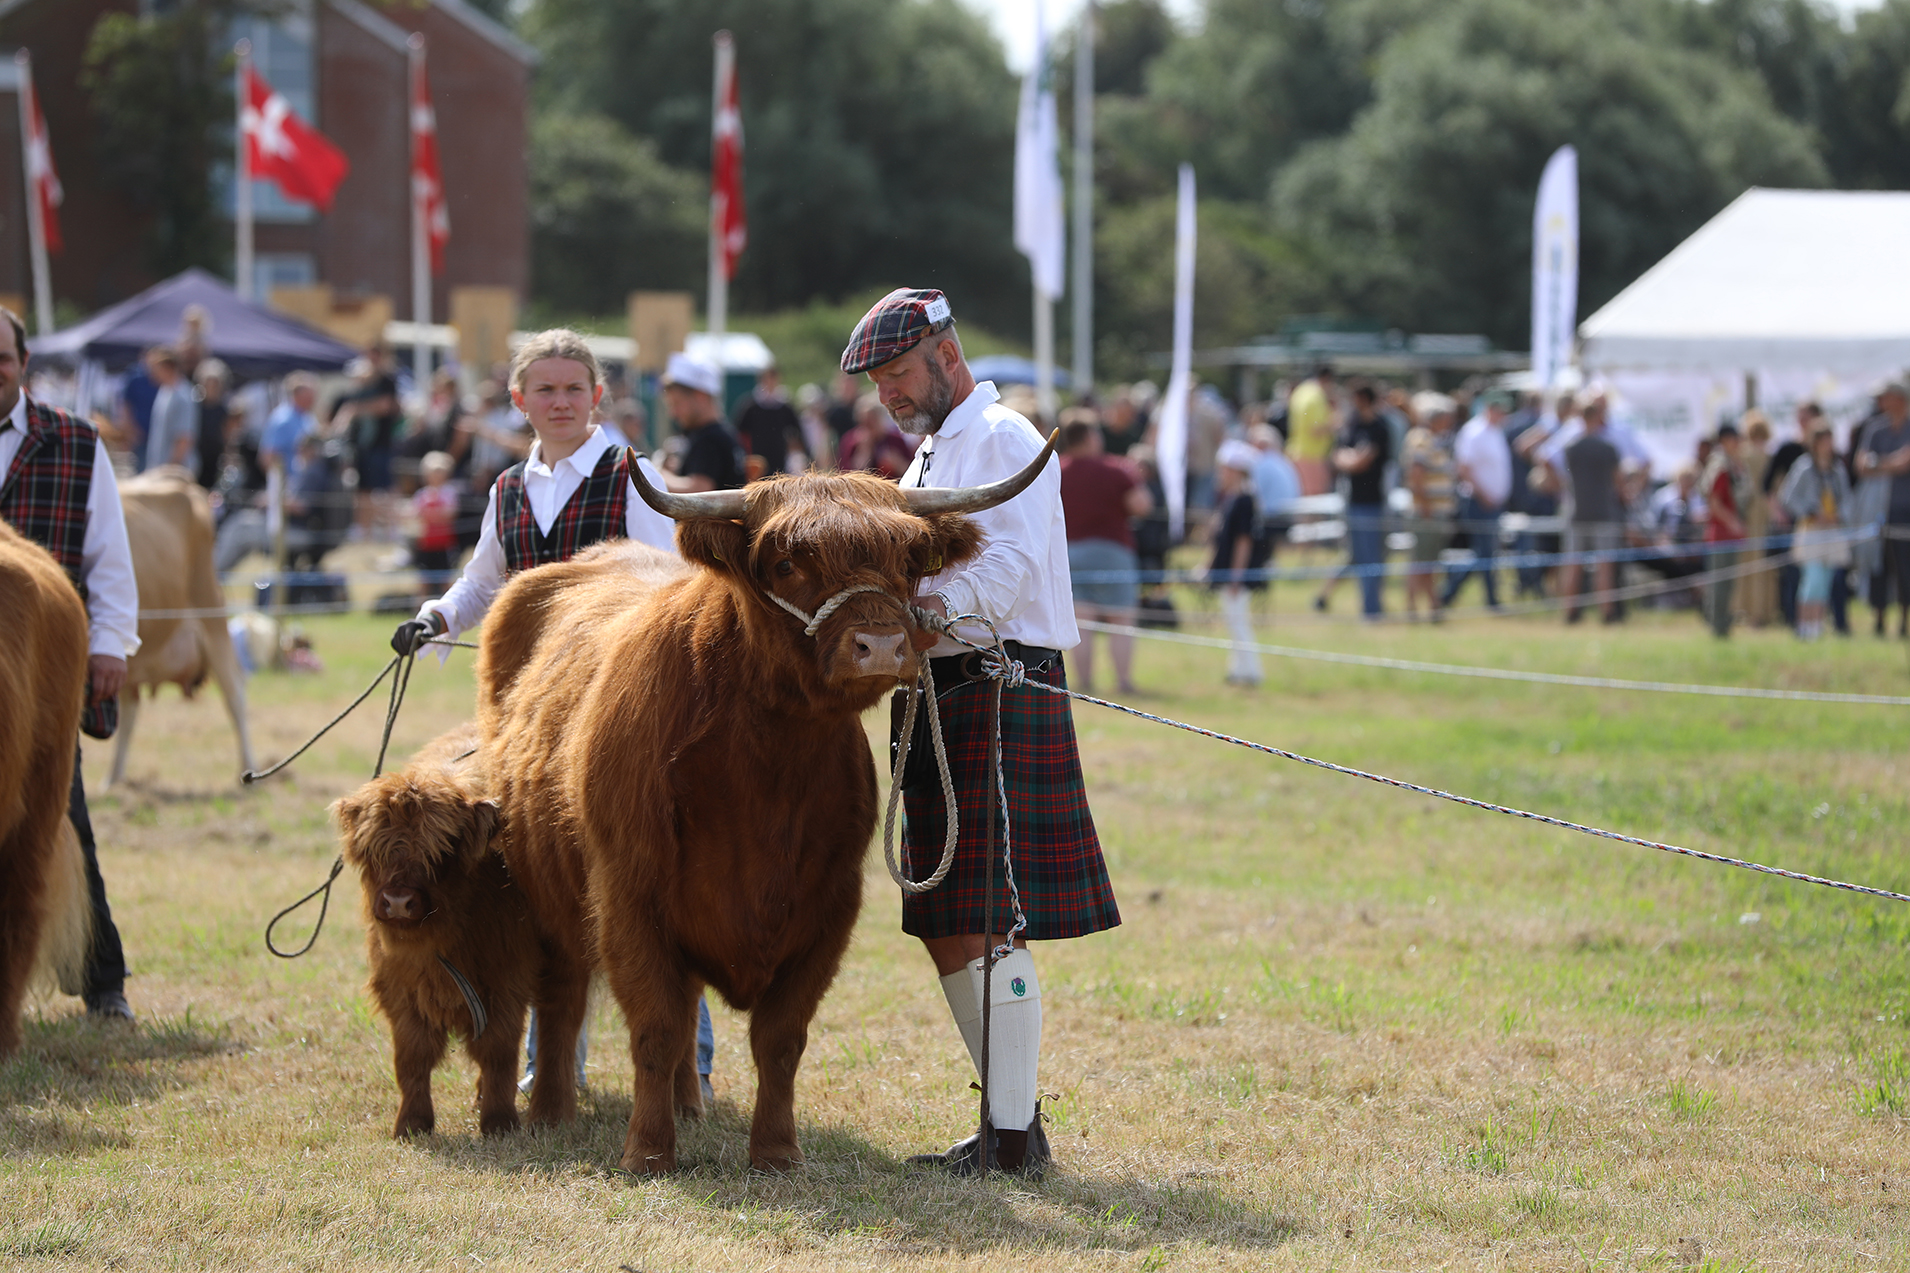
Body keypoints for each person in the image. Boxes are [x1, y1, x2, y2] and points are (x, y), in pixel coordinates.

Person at [389, 329, 714, 1101]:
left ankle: (689, 1061)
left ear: (597, 397)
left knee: (649, 880)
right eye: (546, 389)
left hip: (617, 713)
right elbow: (482, 581)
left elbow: (671, 585)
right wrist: (436, 618)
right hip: (530, 714)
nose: (561, 401)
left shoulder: (634, 476)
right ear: (519, 400)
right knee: (541, 880)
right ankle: (553, 1059)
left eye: (574, 388)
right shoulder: (508, 488)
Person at [845, 288, 1119, 1178]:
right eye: (878, 381)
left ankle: (1010, 1137)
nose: (888, 392)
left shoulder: (1000, 436)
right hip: (937, 685)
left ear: (947, 355)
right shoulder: (932, 451)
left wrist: (918, 616)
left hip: (997, 681)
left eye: (897, 372)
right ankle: (1013, 1120)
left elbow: (1011, 567)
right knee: (945, 918)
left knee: (995, 917)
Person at [0, 306, 141, 1021]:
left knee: (63, 816)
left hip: (44, 666)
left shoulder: (74, 441)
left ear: (22, 363)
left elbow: (108, 553)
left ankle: (102, 980)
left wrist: (111, 642)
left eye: (1, 358)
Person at [1058, 409, 1151, 695]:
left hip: (1070, 552)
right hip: (1113, 551)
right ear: (1089, 436)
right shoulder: (1115, 469)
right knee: (1121, 619)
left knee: (1082, 621)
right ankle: (1123, 681)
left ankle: (1085, 684)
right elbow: (1141, 506)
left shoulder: (1057, 469)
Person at [1321, 382, 1391, 619]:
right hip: (1352, 501)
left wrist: (1351, 459)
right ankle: (1367, 607)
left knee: (1372, 557)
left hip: (1373, 502)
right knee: (1357, 556)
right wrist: (1352, 459)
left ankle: (1372, 610)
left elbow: (1362, 461)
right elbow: (1337, 457)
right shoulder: (1352, 426)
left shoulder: (1379, 427)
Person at [1779, 420, 1852, 641]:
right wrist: (1810, 513)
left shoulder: (1837, 468)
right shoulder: (1803, 467)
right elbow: (1788, 496)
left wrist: (1838, 515)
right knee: (1812, 580)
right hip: (1811, 530)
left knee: (1826, 580)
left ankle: (1817, 625)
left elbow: (1847, 499)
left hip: (1833, 530)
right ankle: (1804, 626)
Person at [1441, 390, 1512, 610]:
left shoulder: (1495, 431)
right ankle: (1486, 599)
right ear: (1490, 409)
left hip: (1492, 502)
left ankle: (1450, 595)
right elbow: (1464, 468)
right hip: (1477, 501)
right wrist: (1484, 495)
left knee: (1485, 553)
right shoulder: (1474, 432)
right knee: (1484, 552)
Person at [1209, 439, 1268, 686]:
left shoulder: (1244, 500)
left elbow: (1243, 541)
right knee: (1233, 622)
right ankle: (1238, 669)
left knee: (1239, 622)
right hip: (1228, 573)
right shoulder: (1231, 498)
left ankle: (1252, 672)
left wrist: (1236, 576)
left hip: (1237, 576)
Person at [1854, 382, 1910, 638]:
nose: (1881, 403)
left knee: (1905, 567)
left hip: (1905, 511)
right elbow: (1861, 464)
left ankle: (1904, 620)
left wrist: (1878, 464)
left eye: (1885, 398)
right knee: (1878, 565)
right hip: (1877, 511)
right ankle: (1879, 619)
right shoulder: (1875, 428)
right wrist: (1892, 462)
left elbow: (1905, 463)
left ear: (1898, 399)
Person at [1560, 398, 1623, 624]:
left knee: (1573, 565)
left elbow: (1564, 476)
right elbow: (1618, 482)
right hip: (1603, 513)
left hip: (1577, 512)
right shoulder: (1608, 448)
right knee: (1604, 566)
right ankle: (1607, 613)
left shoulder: (1571, 448)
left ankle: (1570, 613)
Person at [1401, 392, 1458, 622]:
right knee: (1421, 562)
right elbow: (1416, 476)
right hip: (1427, 514)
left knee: (1428, 563)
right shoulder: (1421, 439)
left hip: (1433, 512)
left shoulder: (1432, 439)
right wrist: (1426, 509)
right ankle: (1414, 608)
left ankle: (1432, 606)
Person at [660, 353, 746, 493]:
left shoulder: (710, 439)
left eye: (676, 403)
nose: (673, 413)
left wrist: (657, 475)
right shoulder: (723, 434)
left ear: (701, 396)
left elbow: (697, 490)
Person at [1701, 422, 1751, 637]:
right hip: (1721, 534)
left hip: (1729, 535)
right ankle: (1717, 626)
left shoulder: (1732, 464)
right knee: (1719, 584)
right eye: (1734, 439)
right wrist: (1733, 523)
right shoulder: (1720, 467)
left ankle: (1723, 625)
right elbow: (1714, 503)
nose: (1738, 443)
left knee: (1728, 584)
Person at [731, 363, 800, 478]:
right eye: (767, 378)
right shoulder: (750, 405)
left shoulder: (784, 407)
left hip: (779, 457)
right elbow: (738, 431)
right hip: (756, 456)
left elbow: (797, 430)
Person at [409, 451, 461, 595]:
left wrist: (429, 515)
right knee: (424, 580)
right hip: (426, 544)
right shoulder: (421, 494)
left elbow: (450, 514)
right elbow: (414, 515)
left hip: (444, 544)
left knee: (446, 580)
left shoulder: (449, 493)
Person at [145, 346, 199, 477]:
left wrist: (171, 470)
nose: (151, 372)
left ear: (167, 367)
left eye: (155, 367)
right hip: (160, 470)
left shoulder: (183, 395)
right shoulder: (164, 391)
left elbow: (184, 438)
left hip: (176, 472)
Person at [837, 394, 917, 480]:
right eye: (864, 423)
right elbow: (846, 476)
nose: (868, 427)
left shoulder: (895, 440)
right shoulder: (851, 441)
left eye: (872, 422)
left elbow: (913, 474)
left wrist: (897, 463)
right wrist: (864, 451)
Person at [1286, 364, 1337, 496]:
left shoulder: (1301, 391)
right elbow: (1316, 430)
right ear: (1328, 378)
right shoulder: (1316, 396)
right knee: (1314, 501)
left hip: (1296, 453)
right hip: (1312, 457)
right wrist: (1335, 422)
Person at [260, 373, 320, 473]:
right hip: (289, 480)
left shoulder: (308, 416)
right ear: (297, 395)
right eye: (309, 395)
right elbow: (268, 457)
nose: (313, 399)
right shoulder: (282, 419)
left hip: (307, 478)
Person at [193, 359, 232, 489]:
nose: (211, 387)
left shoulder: (224, 409)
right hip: (196, 453)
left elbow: (226, 434)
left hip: (215, 454)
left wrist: (227, 455)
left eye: (215, 384)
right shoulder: (195, 406)